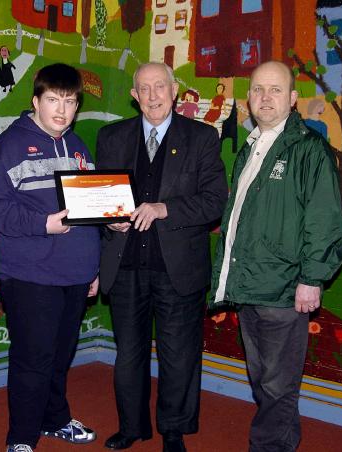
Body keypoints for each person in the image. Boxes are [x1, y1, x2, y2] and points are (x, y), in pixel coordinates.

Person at [209, 60, 342, 452]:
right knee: (265, 381)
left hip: (285, 290)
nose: (264, 98)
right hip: (249, 285)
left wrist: (312, 278)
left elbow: (325, 220)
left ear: (292, 98)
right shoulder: (252, 147)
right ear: (248, 98)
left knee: (277, 385)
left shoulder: (308, 148)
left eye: (274, 90)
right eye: (257, 90)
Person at [97, 62, 227, 452]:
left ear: (174, 91)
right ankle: (132, 426)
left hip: (179, 270)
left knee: (179, 356)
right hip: (126, 268)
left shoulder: (203, 137)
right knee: (128, 355)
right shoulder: (111, 136)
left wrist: (164, 208)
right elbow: (102, 197)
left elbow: (214, 200)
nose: (153, 96)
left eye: (160, 87)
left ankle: (173, 430)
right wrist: (110, 222)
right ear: (134, 96)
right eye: (144, 89)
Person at [0, 63, 100, 452]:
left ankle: (55, 418)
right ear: (35, 101)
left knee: (61, 356)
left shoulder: (78, 145)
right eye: (53, 100)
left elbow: (91, 209)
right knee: (33, 358)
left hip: (76, 272)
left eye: (69, 101)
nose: (62, 110)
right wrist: (42, 223)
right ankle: (21, 437)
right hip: (30, 273)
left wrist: (94, 262)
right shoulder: (9, 144)